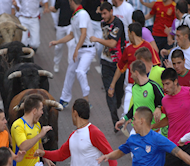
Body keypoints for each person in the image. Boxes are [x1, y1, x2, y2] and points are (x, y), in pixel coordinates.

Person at [49, 0, 95, 108]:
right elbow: (72, 35)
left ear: (72, 1)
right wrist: (57, 42)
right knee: (70, 72)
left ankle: (86, 100)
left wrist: (76, 49)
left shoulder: (82, 14)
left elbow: (83, 34)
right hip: (80, 49)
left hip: (87, 50)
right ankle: (64, 99)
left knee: (80, 72)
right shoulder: (75, 15)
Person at [108, 22, 160, 116]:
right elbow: (120, 68)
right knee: (126, 113)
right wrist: (112, 85)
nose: (128, 36)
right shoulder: (128, 49)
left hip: (146, 86)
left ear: (132, 33)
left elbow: (156, 65)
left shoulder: (147, 46)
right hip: (131, 86)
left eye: (128, 34)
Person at [90, 2, 125, 132]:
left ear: (111, 11)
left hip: (118, 63)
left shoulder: (118, 24)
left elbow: (112, 42)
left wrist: (97, 39)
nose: (103, 16)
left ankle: (117, 104)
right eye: (102, 13)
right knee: (109, 92)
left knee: (118, 92)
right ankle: (115, 122)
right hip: (105, 61)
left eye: (105, 13)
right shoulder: (103, 23)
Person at [115, 60, 164, 134]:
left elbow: (164, 101)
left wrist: (159, 107)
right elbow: (135, 105)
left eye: (132, 73)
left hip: (152, 130)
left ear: (136, 73)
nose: (131, 76)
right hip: (137, 129)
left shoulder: (153, 86)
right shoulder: (134, 87)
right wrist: (124, 119)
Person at [49, 0, 73, 73]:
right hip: (61, 25)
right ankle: (56, 62)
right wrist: (51, 9)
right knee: (59, 46)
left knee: (71, 45)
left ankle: (70, 65)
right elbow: (56, 9)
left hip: (71, 24)